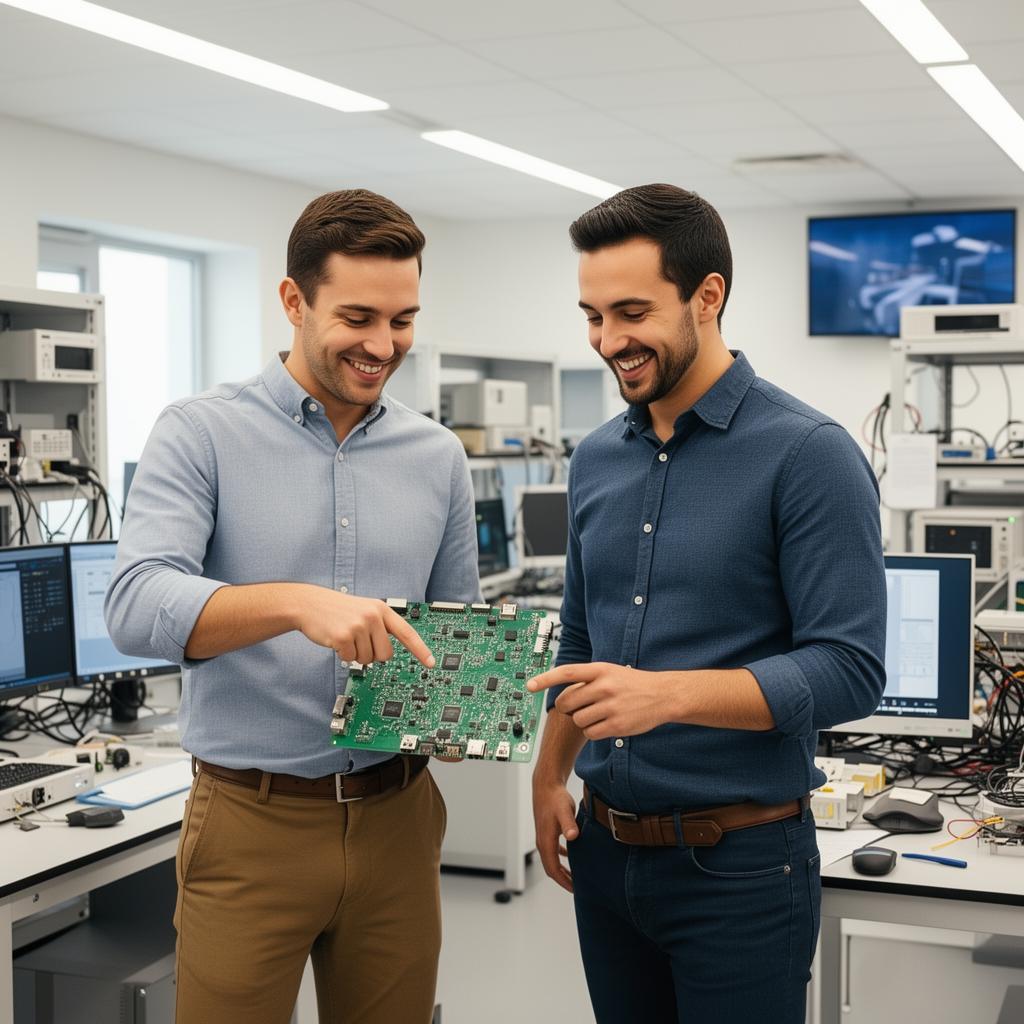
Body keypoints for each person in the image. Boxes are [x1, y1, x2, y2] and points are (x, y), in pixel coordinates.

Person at [106, 189, 479, 1024]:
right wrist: (296, 605)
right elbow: (135, 604)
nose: (384, 346)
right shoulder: (199, 433)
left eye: (403, 319)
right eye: (358, 317)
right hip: (251, 821)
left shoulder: (437, 455)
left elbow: (457, 622)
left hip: (399, 820)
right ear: (293, 300)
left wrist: (464, 706)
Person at [528, 183, 886, 1024]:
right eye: (591, 315)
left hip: (743, 868)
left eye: (630, 312)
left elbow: (850, 668)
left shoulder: (808, 454)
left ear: (708, 296)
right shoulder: (595, 463)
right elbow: (580, 638)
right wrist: (549, 776)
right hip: (606, 857)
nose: (609, 341)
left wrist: (668, 694)